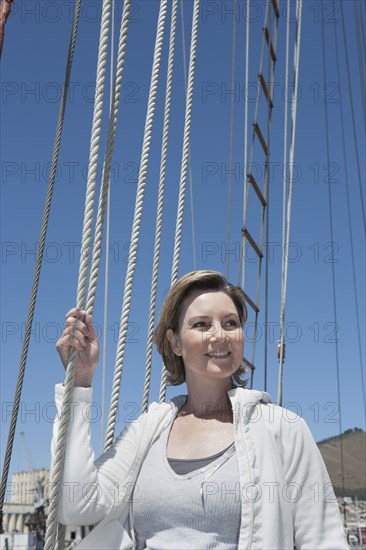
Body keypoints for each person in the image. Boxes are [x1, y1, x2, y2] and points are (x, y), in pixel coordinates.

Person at [52, 270, 349, 549]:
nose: (219, 335)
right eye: (201, 324)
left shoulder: (282, 429)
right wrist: (80, 383)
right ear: (175, 342)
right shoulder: (148, 430)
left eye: (230, 323)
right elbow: (77, 505)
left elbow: (324, 540)